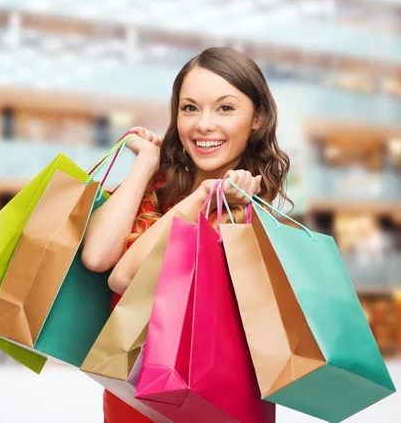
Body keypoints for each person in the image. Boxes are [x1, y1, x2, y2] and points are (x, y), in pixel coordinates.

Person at [81, 47, 291, 423]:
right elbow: (97, 257)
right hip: (132, 397)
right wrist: (146, 164)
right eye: (190, 108)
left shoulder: (251, 218)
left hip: (210, 403)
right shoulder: (157, 185)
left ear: (257, 118)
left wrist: (203, 198)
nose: (203, 125)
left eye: (225, 108)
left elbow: (124, 277)